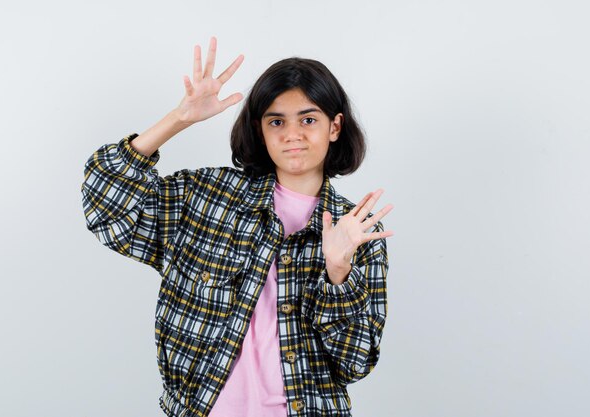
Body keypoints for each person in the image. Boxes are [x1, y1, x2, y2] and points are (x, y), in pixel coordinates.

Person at [81, 36, 394, 417]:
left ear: (334, 126)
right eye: (276, 121)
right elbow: (105, 205)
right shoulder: (206, 198)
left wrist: (338, 273)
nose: (292, 134)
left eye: (308, 119)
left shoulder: (358, 232)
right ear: (260, 131)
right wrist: (179, 119)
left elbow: (355, 362)